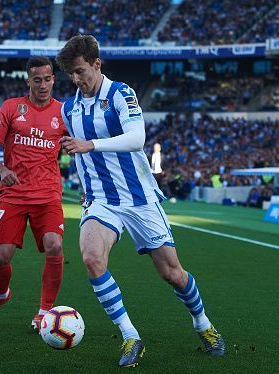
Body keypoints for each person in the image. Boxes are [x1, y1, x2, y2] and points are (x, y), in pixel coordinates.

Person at [56, 35, 225, 368]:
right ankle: (130, 335)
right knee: (91, 258)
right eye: (70, 75)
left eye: (80, 71)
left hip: (139, 199)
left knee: (172, 273)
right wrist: (83, 181)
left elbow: (137, 139)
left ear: (96, 64)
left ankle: (203, 323)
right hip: (101, 200)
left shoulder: (122, 93)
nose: (76, 80)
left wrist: (91, 144)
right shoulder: (68, 108)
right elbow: (71, 150)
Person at [0, 56, 66, 331]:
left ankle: (45, 311)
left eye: (47, 79)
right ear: (28, 80)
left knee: (55, 245)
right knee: (1, 257)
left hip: (48, 193)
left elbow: (78, 149)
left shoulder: (64, 113)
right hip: (13, 193)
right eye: (36, 79)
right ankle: (1, 295)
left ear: (53, 79)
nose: (42, 84)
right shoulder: (11, 108)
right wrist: (2, 170)